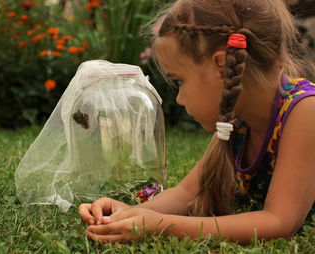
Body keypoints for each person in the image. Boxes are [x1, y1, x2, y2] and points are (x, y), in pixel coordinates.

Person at [78, 0, 315, 244]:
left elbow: (279, 221)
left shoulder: (305, 110)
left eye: (179, 80)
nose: (179, 99)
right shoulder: (235, 119)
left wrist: (161, 226)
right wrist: (127, 214)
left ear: (220, 65)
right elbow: (186, 193)